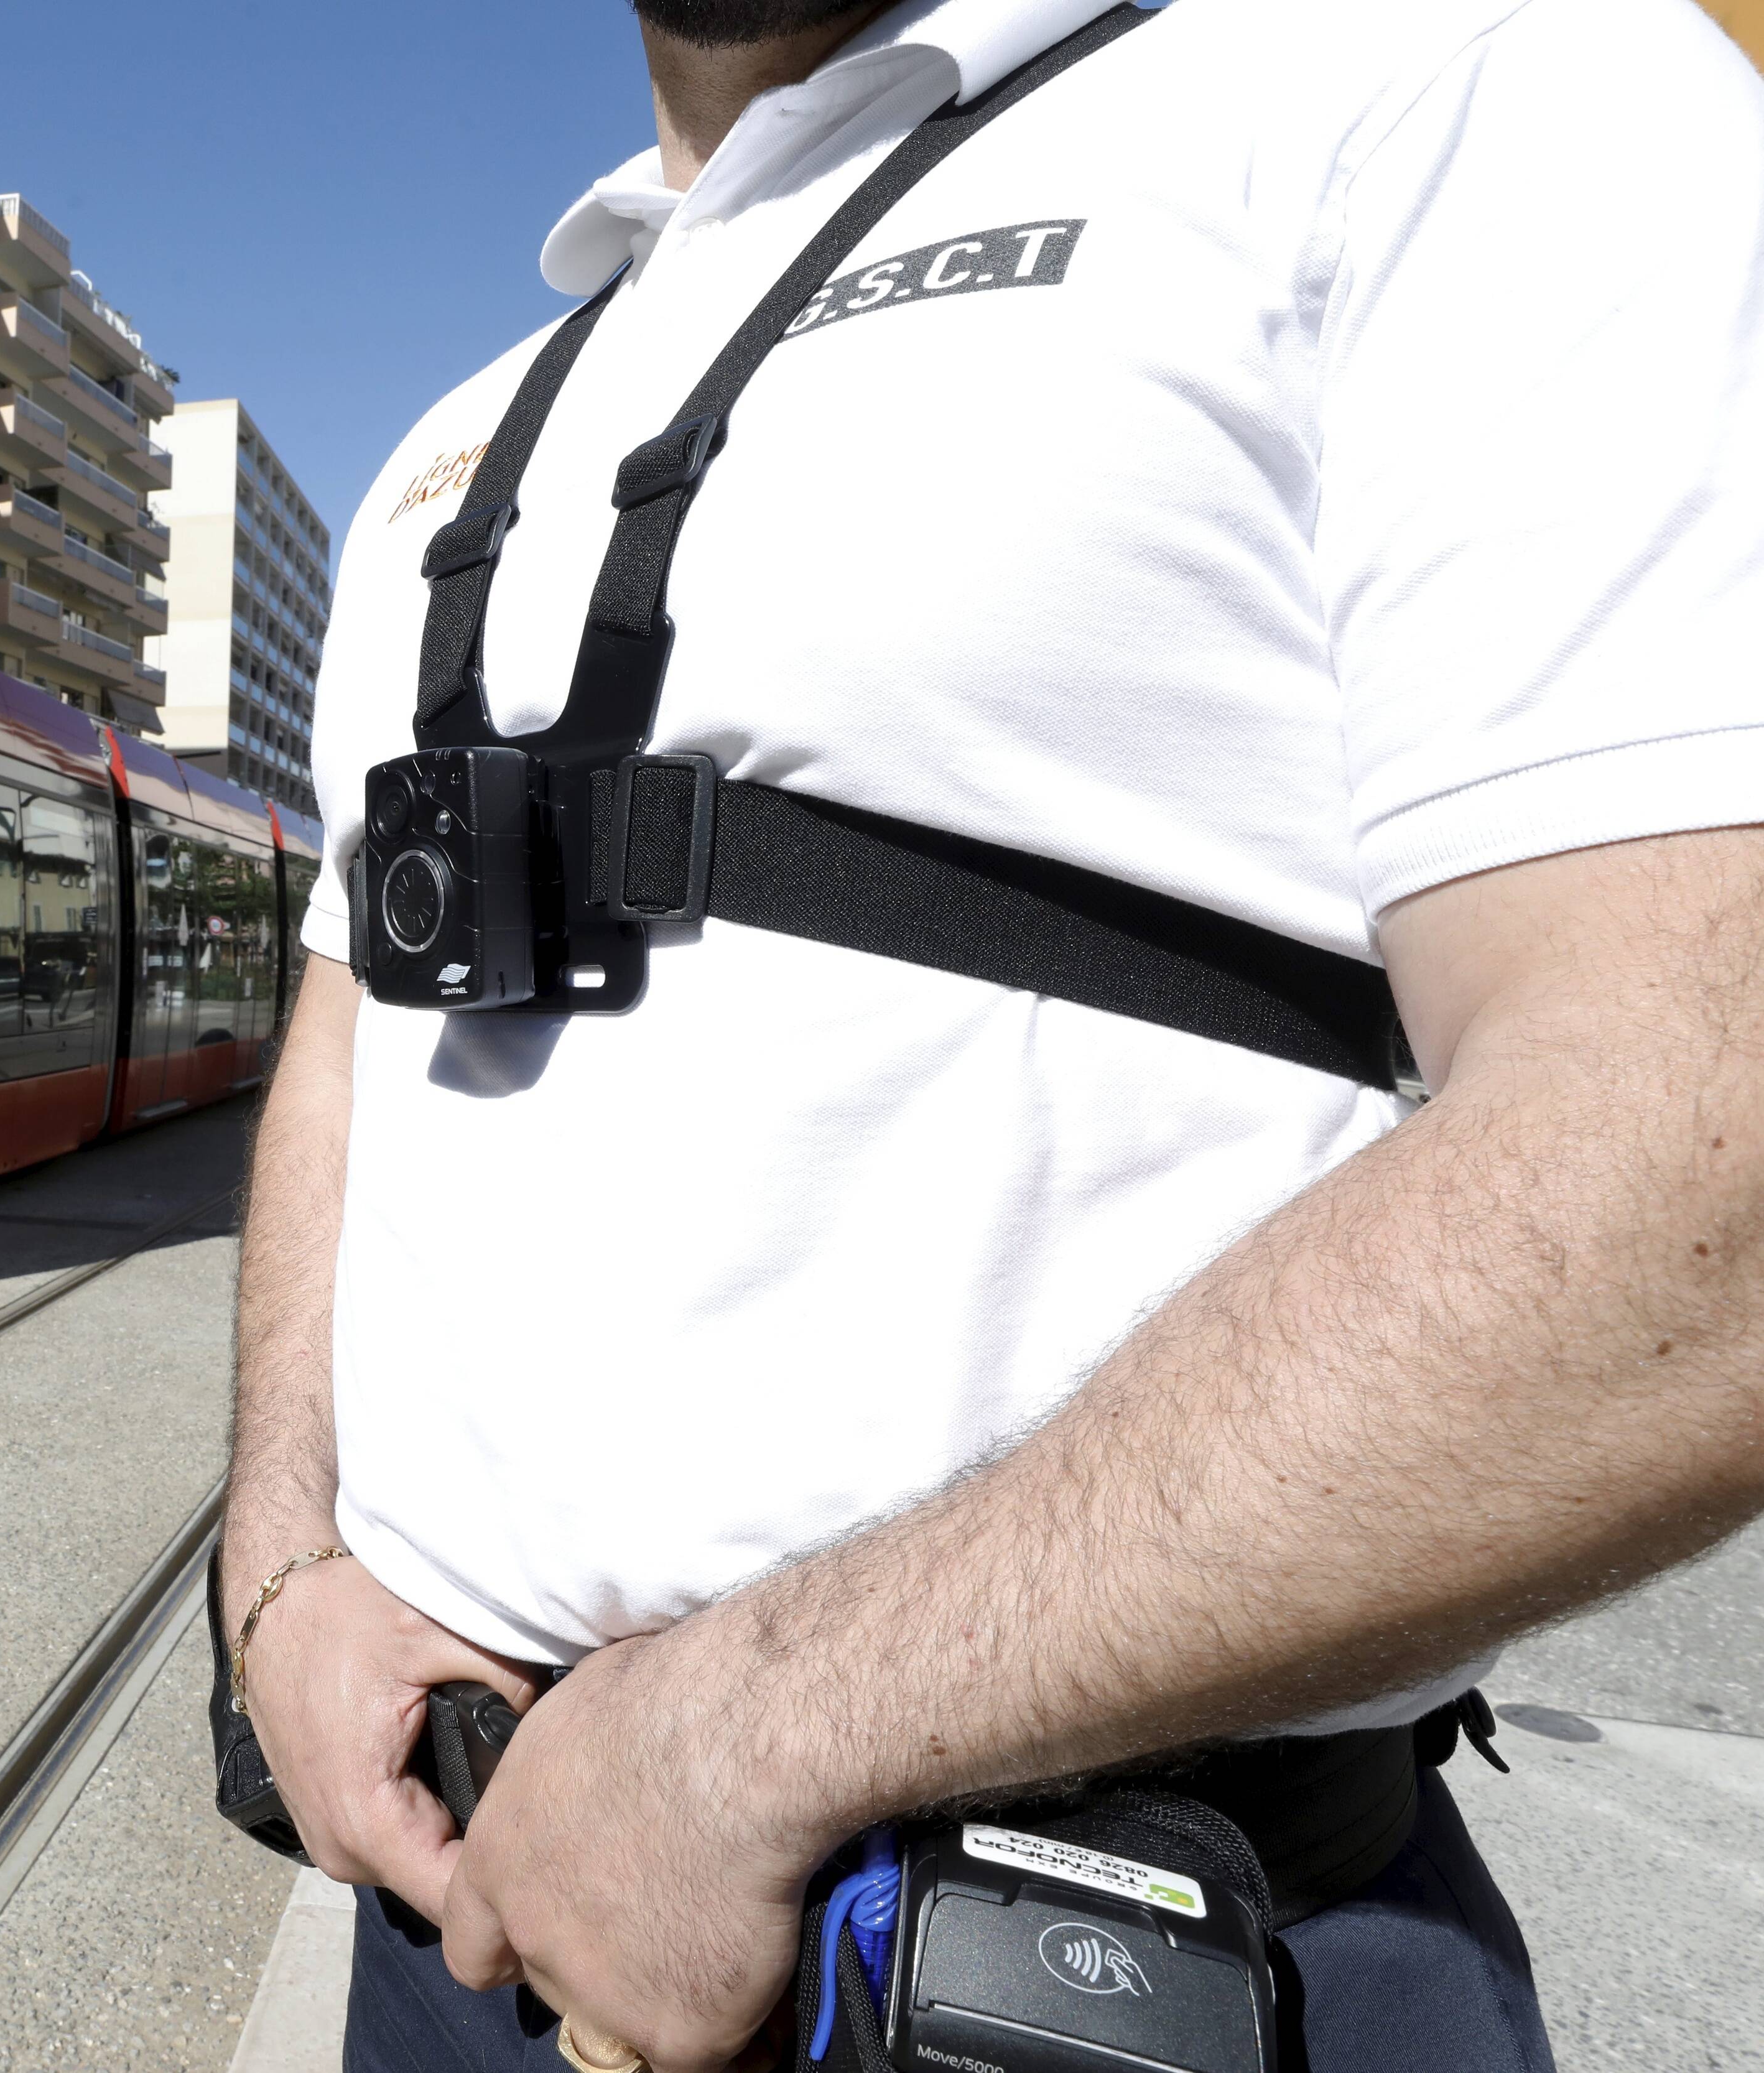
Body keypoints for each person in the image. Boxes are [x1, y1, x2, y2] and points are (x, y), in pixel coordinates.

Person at [219, 0, 1764, 2067]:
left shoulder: (1444, 69)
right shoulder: (469, 423)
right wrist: (282, 1570)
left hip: (1093, 1971)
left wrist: (744, 1748)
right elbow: (358, 1018)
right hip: (449, 1920)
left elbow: (1707, 1139)